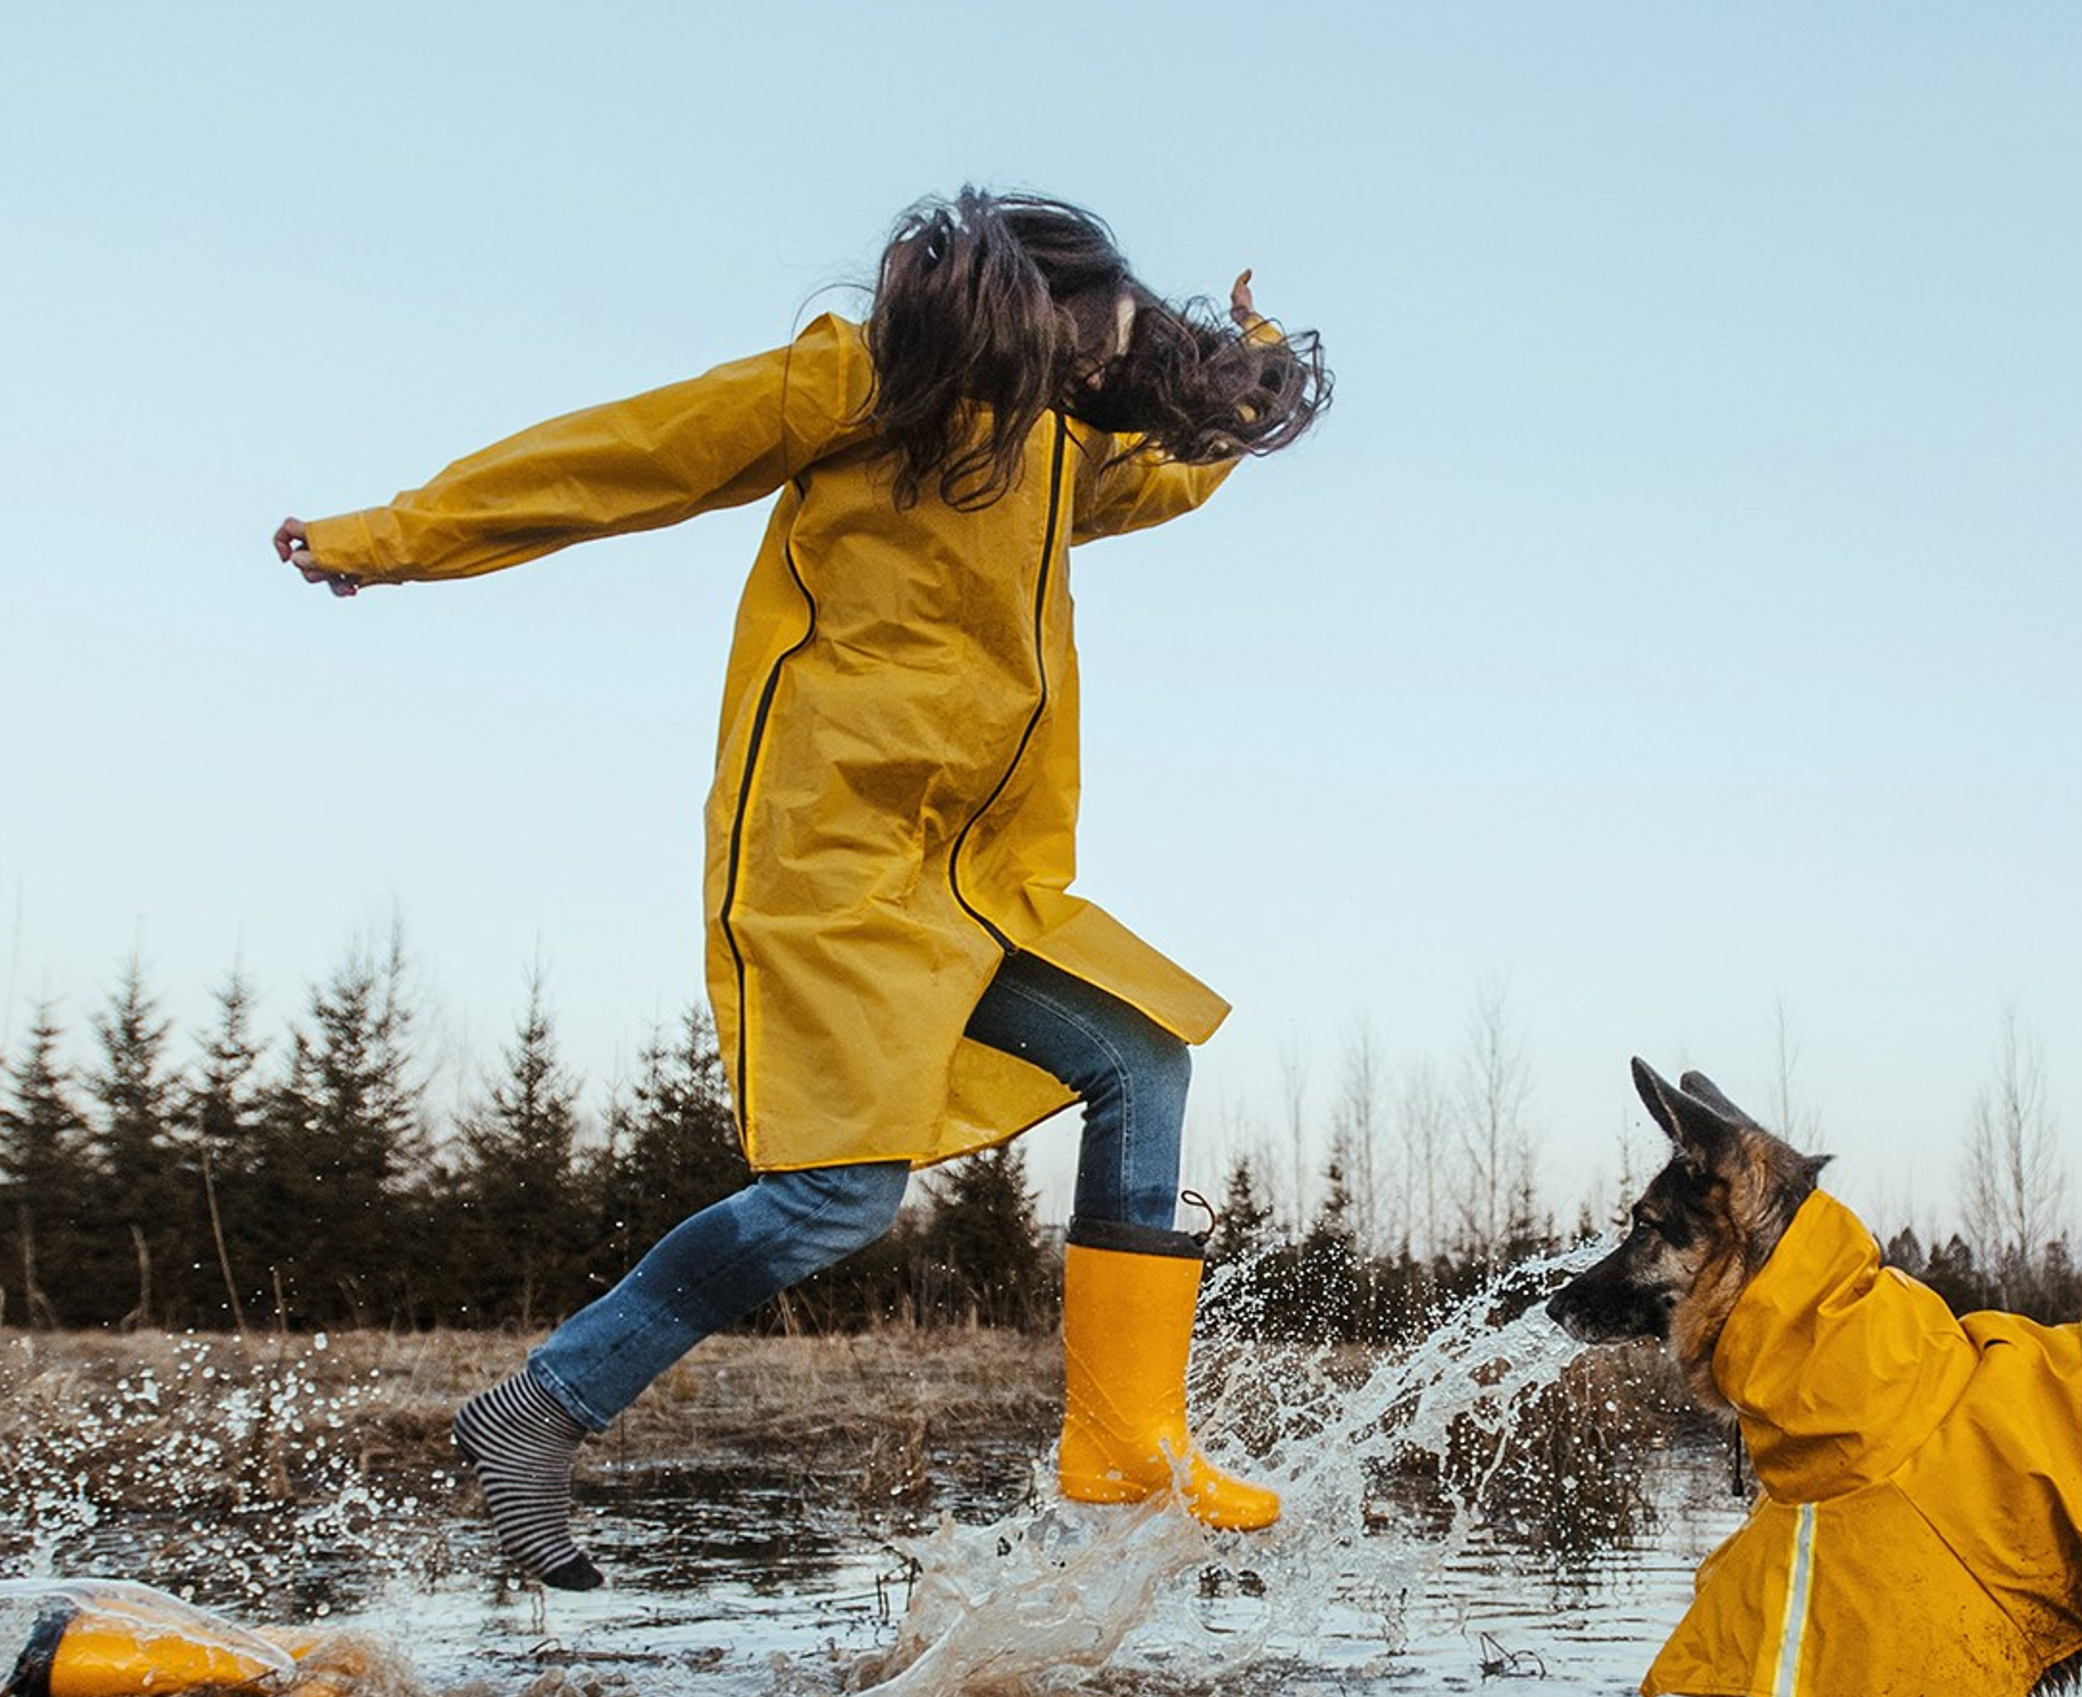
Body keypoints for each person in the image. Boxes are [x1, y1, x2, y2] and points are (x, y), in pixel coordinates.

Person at [277, 190, 1328, 1589]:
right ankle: (539, 1409)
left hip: (974, 879)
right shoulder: (858, 386)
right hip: (828, 862)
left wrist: (1255, 356)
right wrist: (391, 535)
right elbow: (624, 455)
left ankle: (1124, 1440)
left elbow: (1175, 472)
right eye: (1096, 339)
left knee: (1143, 1057)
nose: (1104, 367)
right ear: (1024, 313)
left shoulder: (1060, 451)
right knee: (836, 1199)